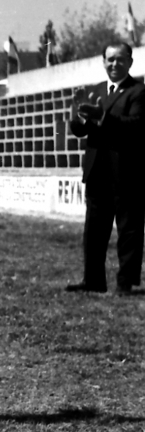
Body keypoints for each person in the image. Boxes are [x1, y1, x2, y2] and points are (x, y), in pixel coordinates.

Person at [65, 42, 143, 296]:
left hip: (126, 171)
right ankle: (93, 280)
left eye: (120, 59)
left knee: (128, 229)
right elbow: (80, 130)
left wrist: (102, 117)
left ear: (130, 63)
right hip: (97, 170)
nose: (114, 64)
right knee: (94, 230)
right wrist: (78, 116)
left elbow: (136, 126)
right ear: (103, 62)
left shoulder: (139, 92)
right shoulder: (96, 90)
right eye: (110, 60)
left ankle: (126, 282)